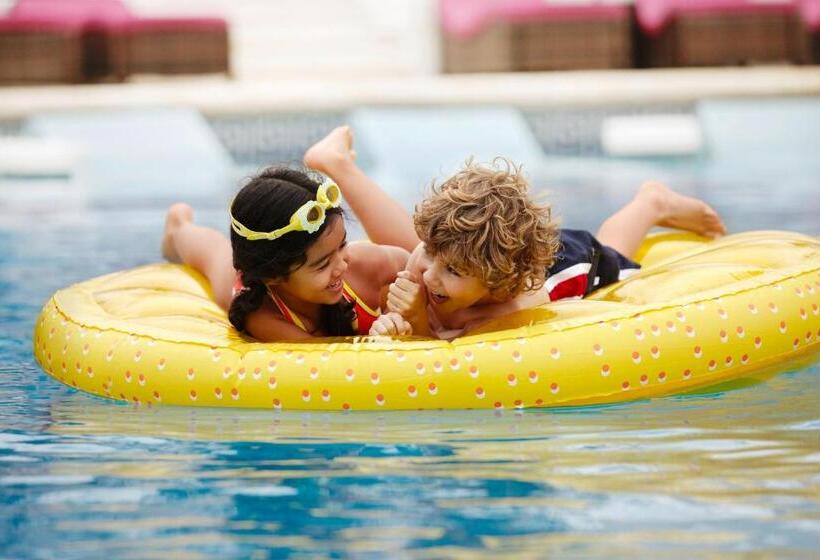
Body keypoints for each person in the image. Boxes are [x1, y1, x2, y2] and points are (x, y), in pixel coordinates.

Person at [304, 126, 727, 339]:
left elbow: (447, 349)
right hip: (496, 251)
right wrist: (430, 276)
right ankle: (338, 164)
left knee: (613, 248)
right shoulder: (445, 266)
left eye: (452, 272)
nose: (429, 274)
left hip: (574, 260)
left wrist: (415, 320)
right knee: (428, 253)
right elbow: (436, 262)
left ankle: (652, 202)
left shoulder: (510, 308)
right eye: (430, 252)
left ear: (497, 285)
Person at [161, 167, 409, 341]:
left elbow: (417, 260)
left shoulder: (365, 262)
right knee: (215, 251)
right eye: (322, 265)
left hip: (276, 260)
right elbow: (324, 357)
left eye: (342, 244)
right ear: (274, 277)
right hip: (251, 283)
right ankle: (177, 226)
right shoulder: (262, 315)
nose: (342, 266)